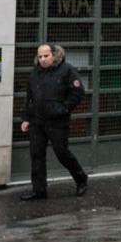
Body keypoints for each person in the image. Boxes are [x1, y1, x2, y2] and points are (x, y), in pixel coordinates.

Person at [18, 42, 89, 199]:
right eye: (40, 56)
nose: (42, 59)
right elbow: (30, 98)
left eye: (46, 56)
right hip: (37, 121)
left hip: (57, 122)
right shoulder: (35, 74)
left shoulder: (67, 70)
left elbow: (78, 92)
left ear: (54, 55)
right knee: (36, 155)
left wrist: (64, 108)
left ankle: (81, 179)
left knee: (62, 153)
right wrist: (25, 118)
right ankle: (39, 190)